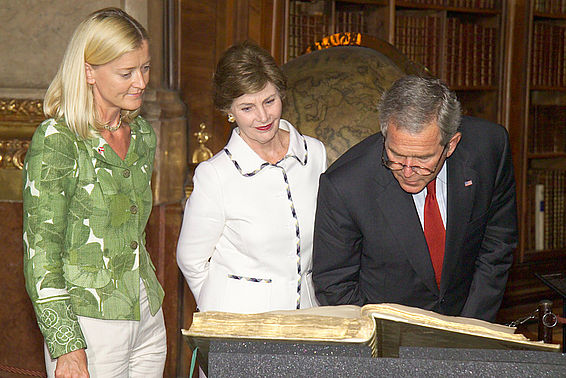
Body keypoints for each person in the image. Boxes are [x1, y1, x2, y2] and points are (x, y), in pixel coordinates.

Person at [22, 8, 166, 377]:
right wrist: (66, 345)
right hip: (90, 324)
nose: (141, 82)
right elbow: (41, 251)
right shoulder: (59, 140)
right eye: (126, 72)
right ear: (89, 71)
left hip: (147, 314)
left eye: (145, 68)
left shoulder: (143, 136)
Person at [312, 75, 518, 322]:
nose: (407, 170)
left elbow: (497, 245)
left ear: (451, 145)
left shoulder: (489, 148)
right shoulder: (346, 185)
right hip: (387, 336)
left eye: (423, 159)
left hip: (469, 320)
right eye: (396, 155)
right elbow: (334, 284)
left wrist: (470, 328)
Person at [176, 41, 327, 314]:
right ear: (229, 112)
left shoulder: (314, 154)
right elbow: (191, 260)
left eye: (269, 101)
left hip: (308, 318)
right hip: (242, 326)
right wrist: (221, 309)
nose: (263, 116)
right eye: (247, 108)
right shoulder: (215, 176)